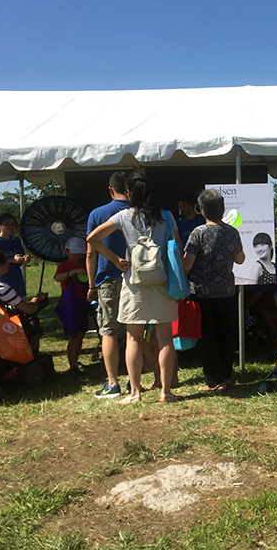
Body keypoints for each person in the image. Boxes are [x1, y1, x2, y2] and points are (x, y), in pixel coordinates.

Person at [87, 173, 181, 404]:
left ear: (129, 193)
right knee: (165, 338)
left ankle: (135, 393)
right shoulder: (167, 217)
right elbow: (177, 247)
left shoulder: (123, 216)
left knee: (133, 339)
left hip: (134, 282)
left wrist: (116, 259)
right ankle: (165, 391)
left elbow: (92, 238)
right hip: (163, 282)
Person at [183, 188, 246, 392]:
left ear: (202, 210)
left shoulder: (198, 233)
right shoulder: (232, 232)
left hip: (202, 292)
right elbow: (240, 258)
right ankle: (226, 376)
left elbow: (187, 264)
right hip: (227, 290)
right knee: (225, 335)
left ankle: (213, 380)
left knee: (207, 337)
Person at [86, 172, 131, 399]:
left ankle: (112, 383)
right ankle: (134, 379)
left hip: (107, 278)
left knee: (109, 331)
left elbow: (90, 252)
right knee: (135, 329)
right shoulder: (140, 212)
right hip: (136, 278)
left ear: (111, 190)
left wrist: (91, 283)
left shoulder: (98, 214)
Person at [53, 237, 90, 375]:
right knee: (73, 336)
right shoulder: (64, 265)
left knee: (80, 334)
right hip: (71, 303)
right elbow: (57, 278)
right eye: (74, 254)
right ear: (67, 252)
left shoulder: (85, 263)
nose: (77, 257)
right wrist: (73, 272)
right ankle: (72, 365)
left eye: (80, 254)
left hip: (83, 302)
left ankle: (75, 361)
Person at [0, 249, 46, 315]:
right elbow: (28, 309)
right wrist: (37, 298)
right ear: (0, 267)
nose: (8, 263)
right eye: (6, 261)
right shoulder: (3, 289)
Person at [0, 212, 29, 299]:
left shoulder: (16, 241)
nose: (11, 227)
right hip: (2, 281)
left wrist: (24, 259)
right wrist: (11, 260)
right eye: (7, 224)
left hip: (16, 279)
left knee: (23, 305)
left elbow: (20, 260)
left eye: (13, 224)